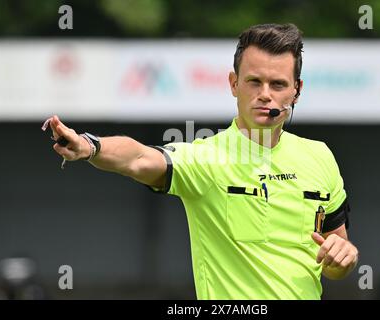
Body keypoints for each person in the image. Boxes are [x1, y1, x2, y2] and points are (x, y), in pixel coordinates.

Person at [44, 23, 358, 299]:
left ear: (297, 90)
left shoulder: (321, 158)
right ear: (234, 84)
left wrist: (345, 257)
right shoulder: (206, 158)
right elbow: (139, 157)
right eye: (254, 82)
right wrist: (90, 146)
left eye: (277, 84)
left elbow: (335, 259)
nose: (265, 95)